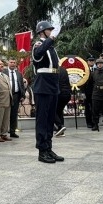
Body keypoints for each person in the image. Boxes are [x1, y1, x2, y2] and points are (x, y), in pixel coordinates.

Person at [31, 20, 64, 163]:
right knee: (42, 120)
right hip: (43, 86)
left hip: (52, 85)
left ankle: (48, 148)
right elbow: (38, 54)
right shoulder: (39, 45)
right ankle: (42, 151)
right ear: (42, 32)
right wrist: (50, 39)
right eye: (49, 30)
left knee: (50, 120)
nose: (52, 32)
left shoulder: (51, 47)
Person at [0, 59, 12, 142]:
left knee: (6, 119)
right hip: (0, 100)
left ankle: (4, 133)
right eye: (0, 64)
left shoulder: (5, 75)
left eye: (2, 64)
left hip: (8, 100)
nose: (2, 65)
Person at [53, 63, 71, 137]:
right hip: (67, 93)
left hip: (59, 93)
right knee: (59, 111)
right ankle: (61, 130)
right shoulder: (64, 69)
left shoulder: (54, 70)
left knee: (52, 110)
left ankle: (60, 126)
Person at [7, 58, 23, 137]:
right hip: (6, 95)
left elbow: (21, 85)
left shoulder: (19, 73)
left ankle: (12, 131)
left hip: (16, 95)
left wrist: (22, 95)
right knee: (5, 113)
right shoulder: (4, 72)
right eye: (11, 62)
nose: (12, 64)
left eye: (14, 62)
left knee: (14, 114)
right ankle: (2, 131)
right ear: (8, 63)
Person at [82, 56, 96, 128]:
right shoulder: (85, 70)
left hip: (95, 92)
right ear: (87, 62)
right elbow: (82, 82)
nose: (91, 62)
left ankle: (94, 122)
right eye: (90, 61)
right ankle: (89, 122)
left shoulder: (96, 70)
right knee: (88, 108)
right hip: (87, 91)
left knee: (95, 108)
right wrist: (83, 93)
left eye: (92, 61)